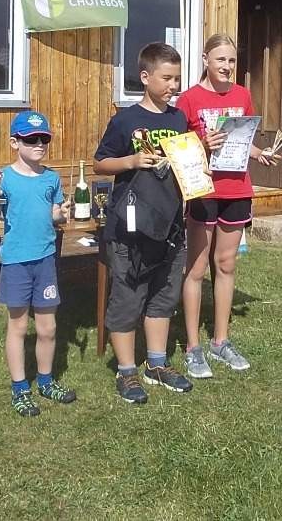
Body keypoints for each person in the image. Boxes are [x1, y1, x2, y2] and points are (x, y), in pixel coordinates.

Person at [93, 42, 193, 404]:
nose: (173, 85)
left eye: (177, 78)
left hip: (171, 225)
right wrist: (132, 161)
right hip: (131, 227)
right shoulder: (125, 120)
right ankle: (126, 370)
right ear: (146, 77)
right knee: (128, 296)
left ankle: (156, 364)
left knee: (164, 295)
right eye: (167, 78)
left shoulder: (178, 120)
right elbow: (100, 163)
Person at [176, 34, 279, 378]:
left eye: (231, 60)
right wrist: (202, 143)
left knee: (226, 264)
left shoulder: (242, 95)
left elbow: (242, 140)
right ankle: (193, 347)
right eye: (220, 59)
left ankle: (220, 341)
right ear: (205, 59)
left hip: (236, 189)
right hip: (204, 190)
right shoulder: (189, 99)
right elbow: (178, 148)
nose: (226, 66)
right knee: (196, 268)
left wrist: (259, 153)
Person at [0, 110, 77, 416]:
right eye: (31, 139)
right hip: (17, 262)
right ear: (14, 143)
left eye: (44, 139)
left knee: (48, 327)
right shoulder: (3, 179)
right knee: (19, 326)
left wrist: (62, 213)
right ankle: (20, 388)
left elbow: (54, 214)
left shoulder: (51, 178)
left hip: (45, 260)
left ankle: (45, 381)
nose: (39, 144)